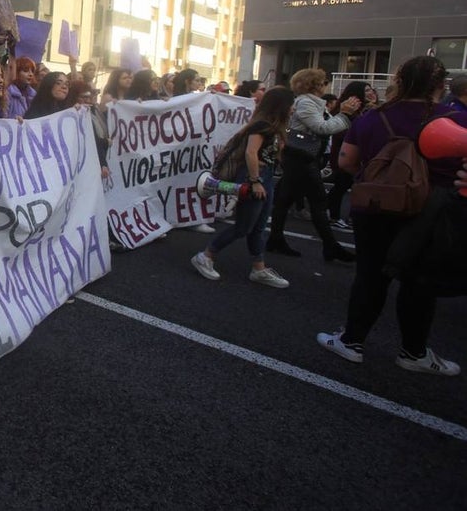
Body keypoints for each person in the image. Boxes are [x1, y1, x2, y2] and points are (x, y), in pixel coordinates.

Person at [317, 56, 461, 376]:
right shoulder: (453, 119)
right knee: (419, 282)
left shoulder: (374, 118)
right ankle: (413, 352)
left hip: (375, 208)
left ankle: (352, 341)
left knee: (370, 276)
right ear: (440, 85)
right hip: (431, 212)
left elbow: (346, 161)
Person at [191, 87, 296, 288]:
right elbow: (251, 153)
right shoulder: (261, 126)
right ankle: (205, 256)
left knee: (258, 227)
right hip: (254, 178)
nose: (293, 109)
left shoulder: (273, 127)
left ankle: (258, 268)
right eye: (291, 105)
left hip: (265, 178)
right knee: (244, 227)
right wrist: (255, 181)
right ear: (281, 106)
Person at [266, 68, 362, 262]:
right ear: (315, 84)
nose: (326, 84)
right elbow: (322, 128)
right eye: (324, 82)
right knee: (317, 201)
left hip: (299, 156)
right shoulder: (307, 102)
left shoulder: (308, 102)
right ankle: (330, 246)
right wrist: (344, 115)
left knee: (285, 199)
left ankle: (276, 239)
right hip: (301, 157)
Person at [325, 81, 373, 230]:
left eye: (371, 90)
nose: (371, 93)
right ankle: (333, 215)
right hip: (343, 153)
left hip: (360, 154)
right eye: (366, 91)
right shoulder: (348, 109)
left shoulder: (370, 109)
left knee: (353, 186)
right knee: (342, 185)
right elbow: (339, 130)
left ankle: (350, 216)